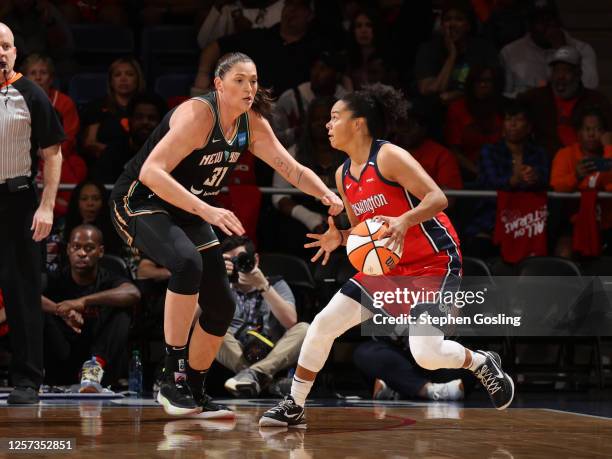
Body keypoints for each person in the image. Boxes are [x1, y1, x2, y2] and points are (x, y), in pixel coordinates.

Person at [259, 84, 514, 427]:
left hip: (432, 260)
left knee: (426, 352)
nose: (327, 125)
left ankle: (480, 363)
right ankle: (294, 403)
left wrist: (405, 220)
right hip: (388, 266)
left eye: (335, 117)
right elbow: (364, 233)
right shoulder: (343, 174)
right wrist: (341, 237)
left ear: (359, 124)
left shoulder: (389, 156)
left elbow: (438, 198)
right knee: (322, 324)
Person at [110, 52, 343, 418]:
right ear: (218, 84)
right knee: (187, 263)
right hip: (140, 200)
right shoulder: (197, 115)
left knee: (222, 305)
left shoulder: (252, 123)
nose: (249, 87)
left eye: (253, 80)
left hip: (187, 209)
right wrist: (207, 210)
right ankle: (172, 380)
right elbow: (152, 173)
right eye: (239, 80)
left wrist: (326, 195)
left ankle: (196, 391)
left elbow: (293, 169)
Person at [0, 22, 64, 404]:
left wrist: (46, 206)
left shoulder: (31, 93)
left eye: (6, 46)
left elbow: (53, 153)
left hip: (17, 201)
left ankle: (27, 380)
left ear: (15, 52)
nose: (1, 53)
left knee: (22, 294)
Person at [42, 224, 140, 392]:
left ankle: (94, 367)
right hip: (64, 357)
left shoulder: (108, 278)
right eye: (76, 247)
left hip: (102, 362)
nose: (82, 253)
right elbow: (27, 295)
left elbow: (133, 293)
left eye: (89, 248)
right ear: (68, 250)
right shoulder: (57, 279)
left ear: (100, 251)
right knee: (38, 312)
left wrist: (83, 301)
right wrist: (61, 311)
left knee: (122, 309)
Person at [216, 235, 309, 397]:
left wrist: (263, 286)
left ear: (255, 260)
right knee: (211, 331)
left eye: (240, 259)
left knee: (304, 329)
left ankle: (253, 375)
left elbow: (290, 322)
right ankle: (267, 382)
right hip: (236, 351)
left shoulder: (276, 283)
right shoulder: (219, 286)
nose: (236, 266)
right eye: (229, 261)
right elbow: (193, 321)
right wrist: (216, 279)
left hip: (272, 350)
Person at [518, 46, 612, 159]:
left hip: (587, 162)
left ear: (578, 74)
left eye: (566, 70)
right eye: (557, 70)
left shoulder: (596, 100)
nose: (560, 76)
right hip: (545, 164)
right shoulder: (535, 98)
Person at [21, 53, 87, 217]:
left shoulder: (65, 102)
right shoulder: (14, 100)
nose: (38, 77)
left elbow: (69, 135)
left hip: (57, 155)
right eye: (33, 73)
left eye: (43, 73)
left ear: (51, 78)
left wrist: (48, 153)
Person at [501, 0, 598, 98]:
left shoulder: (583, 50)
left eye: (550, 19)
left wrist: (563, 50)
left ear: (558, 21)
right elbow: (503, 95)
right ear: (530, 25)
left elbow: (590, 87)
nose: (547, 26)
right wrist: (528, 95)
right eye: (540, 21)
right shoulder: (510, 52)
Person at [80, 57, 146, 161]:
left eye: (129, 74)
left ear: (138, 79)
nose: (123, 79)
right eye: (117, 75)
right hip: (106, 161)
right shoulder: (97, 106)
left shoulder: (148, 106)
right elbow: (89, 142)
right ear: (111, 81)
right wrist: (113, 152)